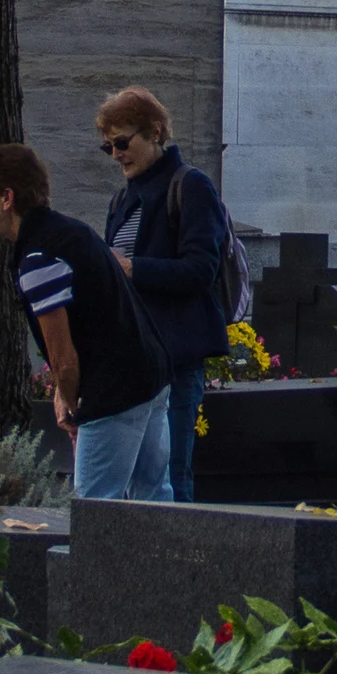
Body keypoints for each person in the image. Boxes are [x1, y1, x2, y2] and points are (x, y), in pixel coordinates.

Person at [0, 140, 173, 499]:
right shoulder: (69, 230)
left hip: (114, 391)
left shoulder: (38, 257)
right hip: (150, 374)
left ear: (7, 198)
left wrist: (72, 405)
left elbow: (63, 357)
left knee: (94, 508)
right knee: (154, 500)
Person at [96, 86, 231, 499]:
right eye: (108, 147)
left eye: (123, 142)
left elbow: (201, 269)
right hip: (132, 361)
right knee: (132, 480)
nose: (117, 154)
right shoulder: (121, 199)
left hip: (174, 359)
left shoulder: (190, 186)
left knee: (169, 475)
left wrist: (133, 268)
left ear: (155, 132)